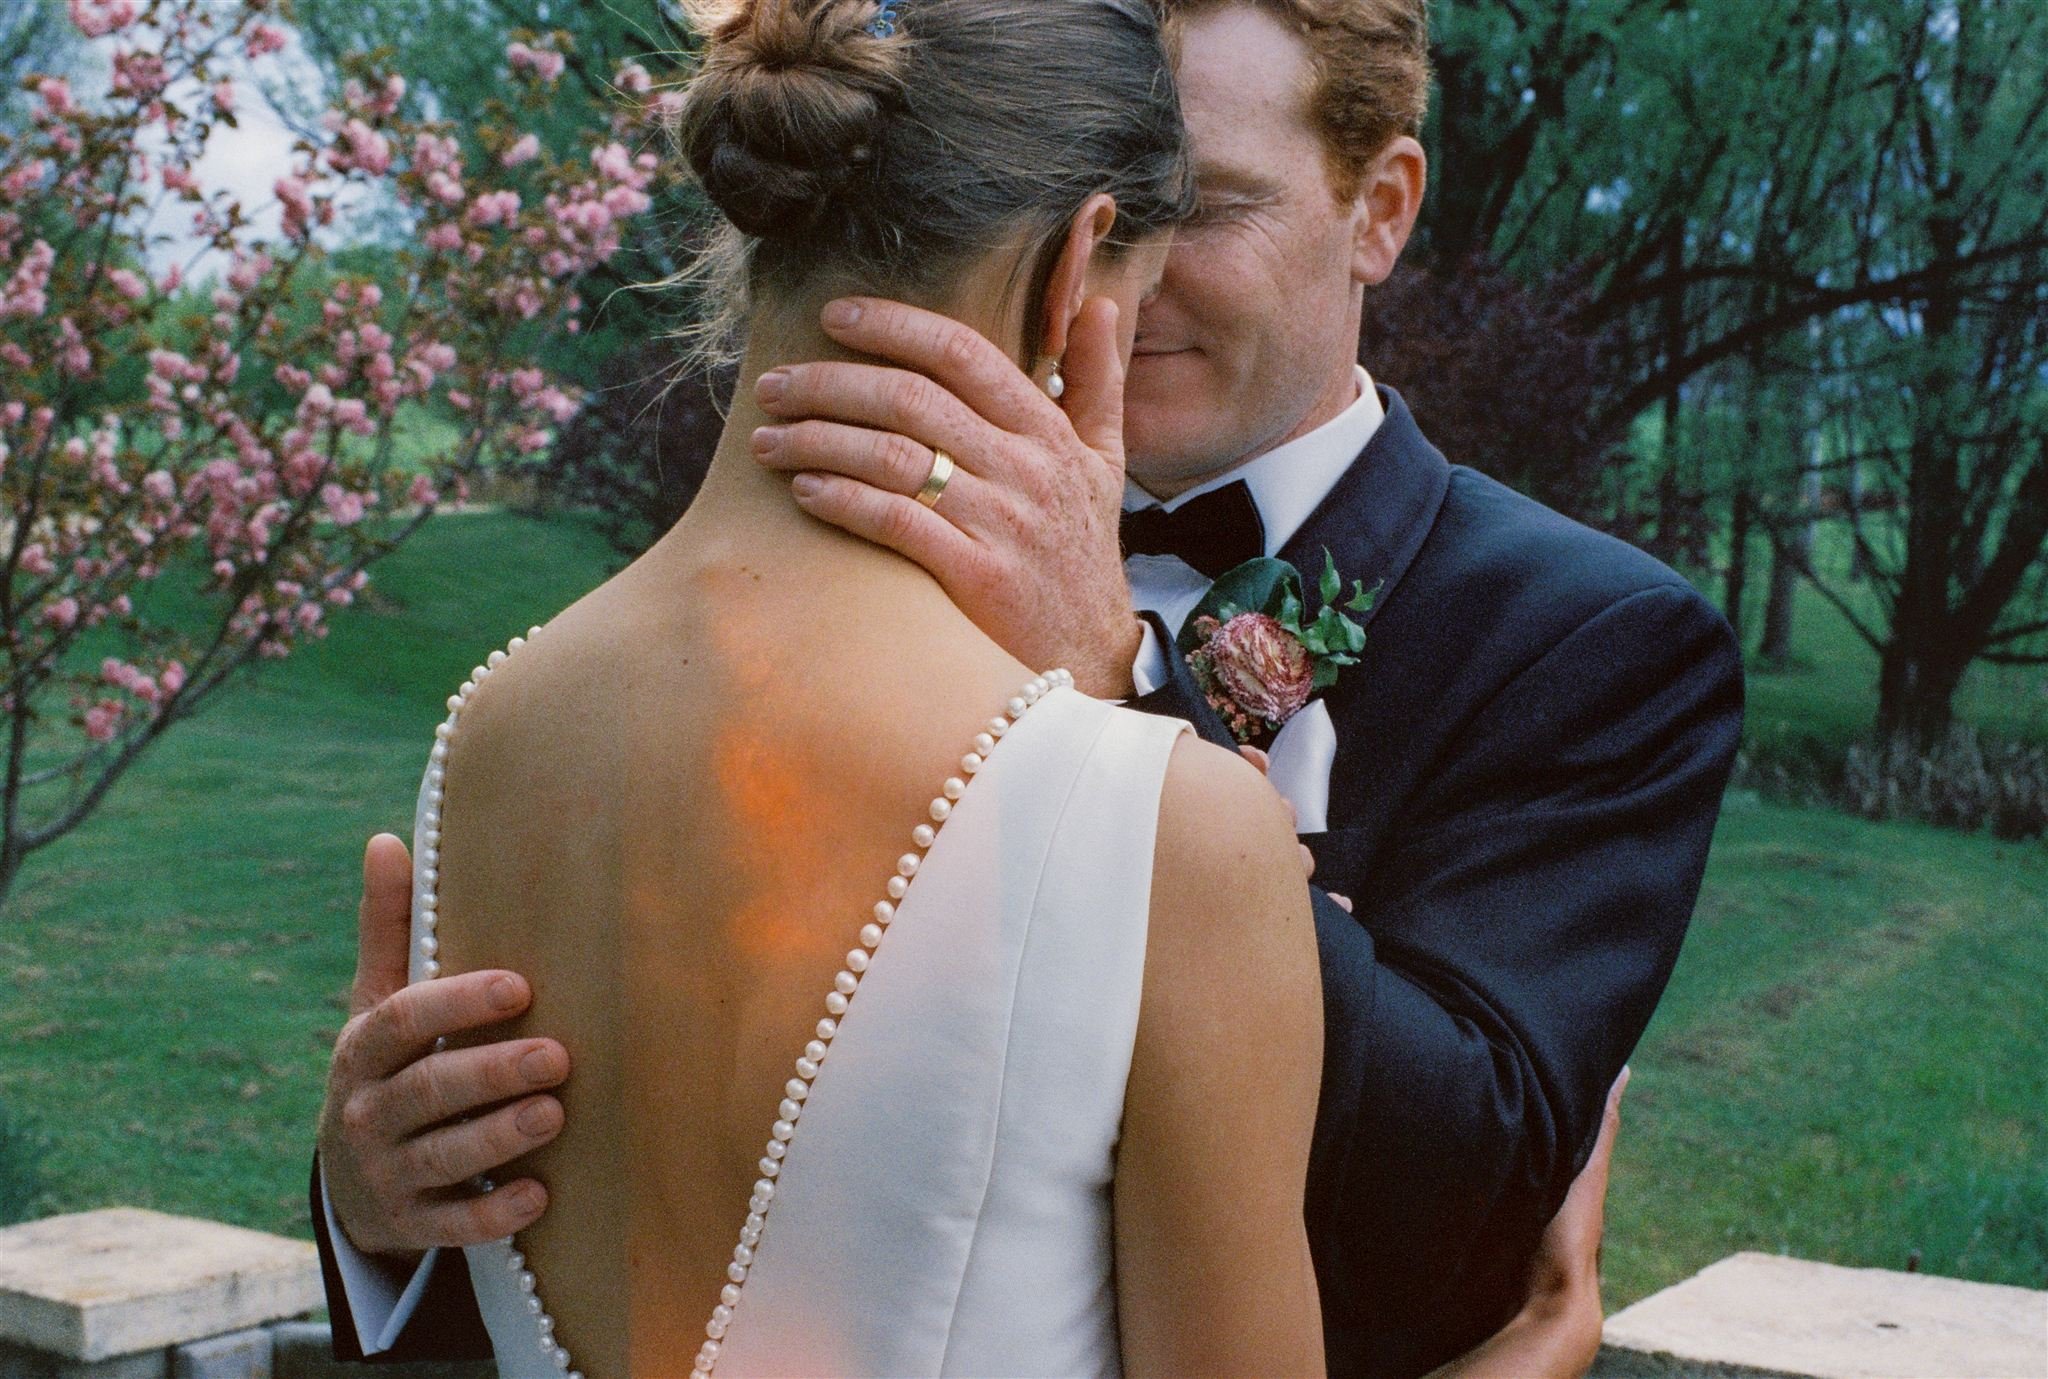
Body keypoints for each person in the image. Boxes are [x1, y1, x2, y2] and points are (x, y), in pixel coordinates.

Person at [312, 0, 1744, 1375]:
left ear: (1380, 208)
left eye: (1215, 205)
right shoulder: (783, 599)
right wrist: (382, 1214)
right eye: (1119, 202)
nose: (1150, 270)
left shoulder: (1593, 641)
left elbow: (1457, 1216)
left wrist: (1119, 682)